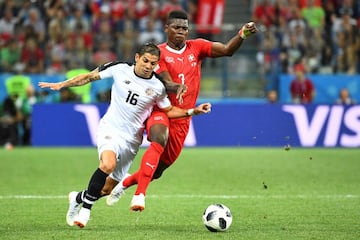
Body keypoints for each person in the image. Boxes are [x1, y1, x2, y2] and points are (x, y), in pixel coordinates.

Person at [38, 42, 211, 228]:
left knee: (106, 189)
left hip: (132, 139)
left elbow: (168, 110)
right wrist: (62, 84)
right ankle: (85, 210)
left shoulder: (158, 86)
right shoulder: (119, 68)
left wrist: (193, 111)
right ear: (137, 58)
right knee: (107, 164)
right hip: (111, 128)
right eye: (145, 61)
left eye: (153, 63)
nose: (148, 66)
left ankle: (78, 198)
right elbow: (89, 77)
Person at [104, 10, 257, 211]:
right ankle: (140, 195)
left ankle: (124, 184)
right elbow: (166, 83)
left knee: (157, 171)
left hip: (183, 118)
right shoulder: (157, 54)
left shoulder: (198, 47)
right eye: (176, 27)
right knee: (158, 138)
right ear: (166, 29)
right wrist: (177, 87)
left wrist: (242, 34)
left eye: (184, 28)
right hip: (163, 110)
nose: (181, 31)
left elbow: (227, 50)